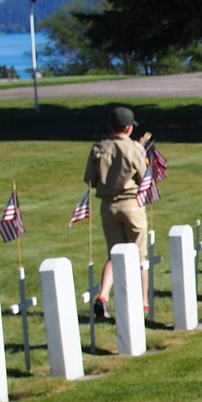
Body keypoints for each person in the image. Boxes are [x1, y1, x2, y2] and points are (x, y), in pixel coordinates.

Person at [84, 105, 150, 318]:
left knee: (114, 254)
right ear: (129, 128)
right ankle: (143, 303)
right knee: (140, 255)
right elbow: (143, 177)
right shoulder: (134, 148)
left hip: (108, 206)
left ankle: (103, 296)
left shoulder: (98, 148)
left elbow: (90, 180)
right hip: (131, 203)